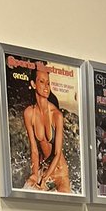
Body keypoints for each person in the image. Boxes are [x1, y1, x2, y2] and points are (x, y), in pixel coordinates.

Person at [23, 63, 71, 193]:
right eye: (42, 82)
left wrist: (45, 177)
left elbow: (57, 153)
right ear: (33, 84)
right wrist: (34, 174)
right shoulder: (29, 113)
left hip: (59, 172)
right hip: (43, 170)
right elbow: (34, 150)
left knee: (67, 202)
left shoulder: (56, 115)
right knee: (27, 189)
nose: (46, 87)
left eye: (48, 83)